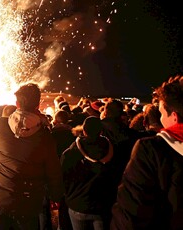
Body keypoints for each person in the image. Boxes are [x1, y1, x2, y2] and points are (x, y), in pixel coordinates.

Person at [0, 84, 64, 229]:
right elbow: (53, 171)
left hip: (0, 198)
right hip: (28, 202)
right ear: (37, 105)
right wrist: (56, 195)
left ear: (17, 104)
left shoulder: (0, 126)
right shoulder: (45, 136)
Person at [111, 75, 183, 229]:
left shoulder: (151, 149)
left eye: (162, 114)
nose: (161, 119)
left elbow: (130, 216)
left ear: (175, 117)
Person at [60, 116, 114, 230]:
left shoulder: (70, 154)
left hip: (78, 205)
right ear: (101, 131)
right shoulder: (113, 151)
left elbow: (64, 180)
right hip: (102, 206)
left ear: (83, 130)